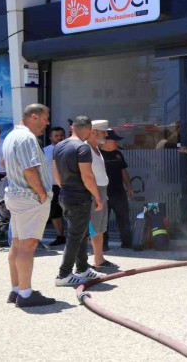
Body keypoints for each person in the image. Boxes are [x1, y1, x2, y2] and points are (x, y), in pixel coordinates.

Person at [1, 104, 55, 307]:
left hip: (16, 195)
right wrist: (42, 193)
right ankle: (25, 294)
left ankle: (16, 290)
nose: (47, 123)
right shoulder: (27, 138)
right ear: (34, 117)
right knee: (28, 245)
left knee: (17, 243)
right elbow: (29, 170)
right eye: (45, 118)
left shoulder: (11, 136)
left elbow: (6, 164)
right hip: (29, 198)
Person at [53, 116, 105, 287]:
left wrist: (65, 188)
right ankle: (64, 274)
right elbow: (87, 176)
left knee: (81, 233)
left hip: (65, 195)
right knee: (75, 236)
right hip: (79, 198)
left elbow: (56, 173)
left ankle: (82, 268)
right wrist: (97, 197)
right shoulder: (83, 147)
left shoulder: (59, 146)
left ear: (72, 128)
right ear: (89, 129)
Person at [85, 120, 117, 269]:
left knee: (100, 227)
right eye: (103, 132)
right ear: (94, 132)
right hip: (94, 192)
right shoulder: (86, 149)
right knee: (93, 227)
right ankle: (88, 262)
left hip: (101, 191)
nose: (106, 134)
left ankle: (99, 259)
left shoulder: (96, 148)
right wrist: (96, 195)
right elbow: (87, 175)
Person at [101, 129, 134, 249]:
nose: (117, 143)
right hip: (103, 193)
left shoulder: (118, 154)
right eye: (114, 140)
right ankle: (103, 245)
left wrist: (129, 187)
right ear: (105, 141)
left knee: (124, 218)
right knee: (103, 220)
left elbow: (123, 171)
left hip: (119, 192)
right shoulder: (97, 154)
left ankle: (127, 242)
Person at [43, 127, 66, 246]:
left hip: (68, 186)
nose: (59, 138)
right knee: (54, 212)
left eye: (61, 135)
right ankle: (60, 236)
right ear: (50, 137)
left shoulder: (70, 149)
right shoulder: (44, 151)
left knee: (72, 212)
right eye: (56, 135)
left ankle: (79, 237)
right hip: (52, 186)